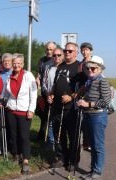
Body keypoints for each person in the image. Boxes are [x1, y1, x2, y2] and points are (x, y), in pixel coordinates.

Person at [48, 42, 85, 170]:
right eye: (66, 50)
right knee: (60, 135)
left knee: (73, 137)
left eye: (70, 51)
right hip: (57, 107)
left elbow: (83, 87)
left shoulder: (80, 67)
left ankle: (73, 161)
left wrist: (71, 96)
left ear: (76, 52)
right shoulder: (60, 66)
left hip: (72, 109)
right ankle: (61, 157)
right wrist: (51, 93)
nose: (67, 53)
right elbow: (55, 84)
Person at [76, 55, 111, 180]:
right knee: (92, 145)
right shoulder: (89, 81)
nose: (90, 70)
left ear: (100, 69)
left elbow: (106, 101)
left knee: (98, 145)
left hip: (98, 116)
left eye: (93, 68)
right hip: (88, 115)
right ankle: (93, 170)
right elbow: (89, 96)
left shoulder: (103, 81)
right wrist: (82, 100)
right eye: (88, 68)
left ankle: (97, 172)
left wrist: (88, 104)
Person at [2, 54, 37, 174]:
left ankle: (26, 159)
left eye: (19, 63)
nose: (16, 65)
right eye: (14, 63)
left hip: (24, 111)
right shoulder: (9, 76)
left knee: (24, 136)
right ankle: (16, 155)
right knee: (13, 135)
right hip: (11, 110)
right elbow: (5, 93)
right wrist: (3, 101)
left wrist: (31, 109)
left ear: (22, 64)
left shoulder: (29, 76)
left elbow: (34, 94)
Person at [41, 48, 65, 149]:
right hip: (51, 98)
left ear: (63, 56)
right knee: (51, 122)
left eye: (59, 55)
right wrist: (48, 95)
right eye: (54, 55)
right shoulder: (49, 68)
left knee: (62, 123)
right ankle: (51, 142)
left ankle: (61, 144)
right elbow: (44, 84)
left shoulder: (65, 68)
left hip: (63, 99)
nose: (56, 57)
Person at [36, 42, 57, 142]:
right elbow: (39, 73)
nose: (49, 51)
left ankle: (50, 138)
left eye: (51, 49)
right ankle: (42, 135)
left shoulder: (56, 60)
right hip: (44, 91)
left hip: (54, 92)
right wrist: (37, 78)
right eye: (47, 49)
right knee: (43, 115)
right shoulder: (42, 60)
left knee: (51, 116)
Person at [79, 42, 94, 151]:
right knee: (82, 119)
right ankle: (85, 142)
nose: (84, 52)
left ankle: (89, 142)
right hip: (81, 93)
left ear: (91, 51)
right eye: (83, 50)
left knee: (89, 119)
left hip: (90, 94)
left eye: (87, 50)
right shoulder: (81, 63)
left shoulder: (94, 62)